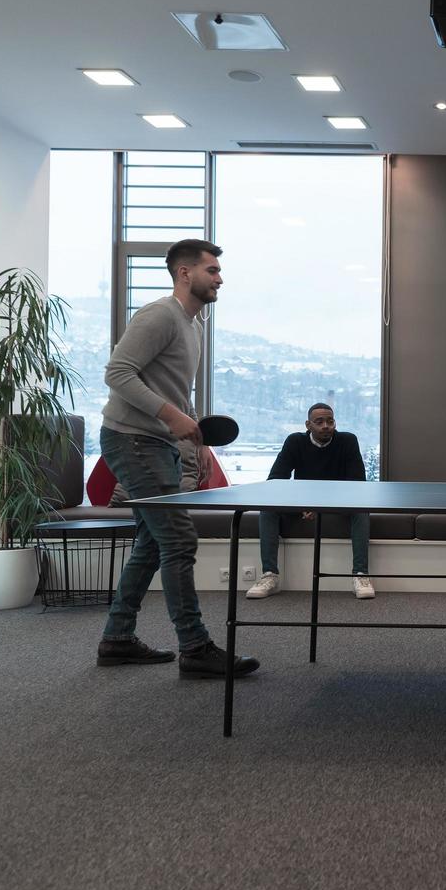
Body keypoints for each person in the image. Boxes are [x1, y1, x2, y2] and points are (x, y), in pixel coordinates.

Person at [95, 238, 259, 680]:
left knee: (151, 544)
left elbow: (176, 393)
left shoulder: (195, 324)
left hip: (161, 443)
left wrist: (197, 444)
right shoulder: (159, 315)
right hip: (131, 440)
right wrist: (171, 417)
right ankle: (195, 647)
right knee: (179, 540)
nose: (220, 277)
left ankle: (117, 639)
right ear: (185, 273)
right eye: (212, 270)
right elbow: (117, 373)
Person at [247, 402, 375, 600]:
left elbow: (357, 484)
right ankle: (269, 575)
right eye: (319, 421)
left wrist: (320, 505)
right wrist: (303, 505)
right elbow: (275, 481)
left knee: (361, 510)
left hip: (338, 503)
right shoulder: (295, 441)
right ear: (308, 425)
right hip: (303, 503)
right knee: (268, 508)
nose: (326, 426)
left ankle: (360, 575)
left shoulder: (348, 441)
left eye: (330, 421)